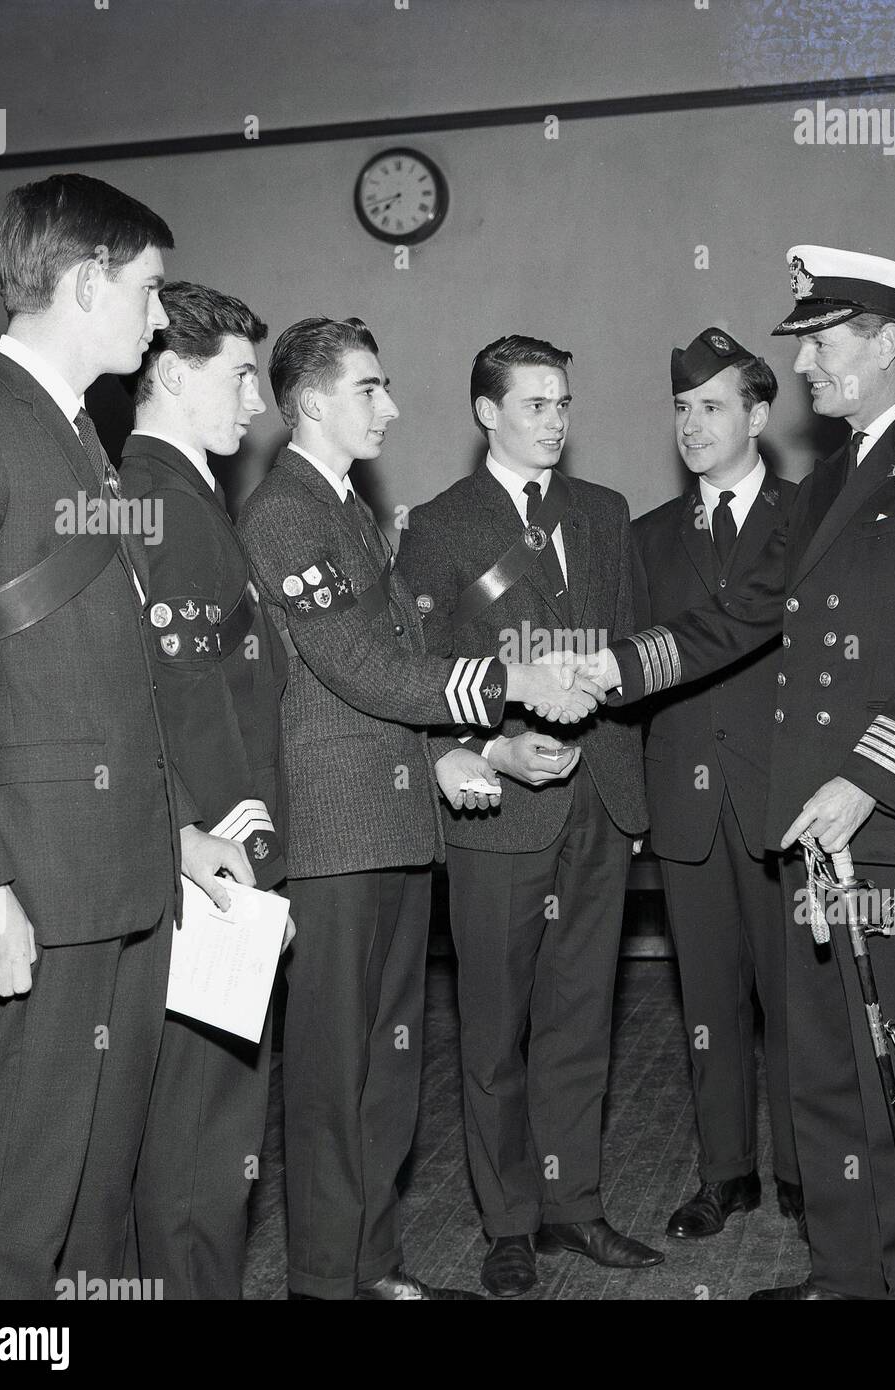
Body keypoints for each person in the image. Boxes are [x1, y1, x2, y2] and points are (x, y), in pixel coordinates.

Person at [586, 247, 895, 1300]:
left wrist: (869, 778)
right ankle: (845, 1272)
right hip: (810, 829)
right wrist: (608, 667)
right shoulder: (824, 480)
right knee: (826, 1069)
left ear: (879, 342)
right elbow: (734, 617)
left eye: (820, 345)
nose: (808, 368)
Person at [0, 174, 249, 1298]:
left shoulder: (75, 435)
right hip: (37, 884)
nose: (160, 318)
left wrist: (177, 835)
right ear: (86, 278)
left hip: (121, 872)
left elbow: (106, 676)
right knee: (16, 1200)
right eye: (150, 290)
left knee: (97, 1193)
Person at [237, 316, 603, 1301]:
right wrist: (507, 682)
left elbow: (392, 669)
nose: (391, 407)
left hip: (391, 825)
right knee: (330, 1077)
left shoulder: (348, 508)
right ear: (311, 401)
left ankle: (369, 1265)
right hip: (333, 833)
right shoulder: (285, 514)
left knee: (384, 1069)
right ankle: (324, 1280)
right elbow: (360, 664)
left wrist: (448, 755)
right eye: (370, 389)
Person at [396, 335, 660, 1299]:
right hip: (497, 803)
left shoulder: (603, 512)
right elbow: (418, 671)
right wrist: (488, 744)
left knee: (582, 1019)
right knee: (494, 1026)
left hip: (598, 796)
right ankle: (506, 1221)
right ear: (486, 412)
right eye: (536, 404)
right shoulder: (437, 524)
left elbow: (631, 647)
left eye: (563, 403)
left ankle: (573, 1207)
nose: (556, 420)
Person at [119, 281, 293, 1298]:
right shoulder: (170, 506)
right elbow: (187, 707)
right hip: (212, 866)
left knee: (190, 1135)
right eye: (237, 375)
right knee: (201, 1141)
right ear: (173, 374)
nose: (255, 402)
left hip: (194, 850)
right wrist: (248, 864)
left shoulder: (167, 493)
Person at [632, 328, 801, 1242]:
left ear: (758, 415)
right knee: (707, 1003)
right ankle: (725, 1173)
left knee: (796, 999)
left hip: (786, 803)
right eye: (682, 409)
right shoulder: (645, 539)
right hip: (686, 807)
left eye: (712, 406)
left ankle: (812, 1176)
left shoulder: (810, 517)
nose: (692, 425)